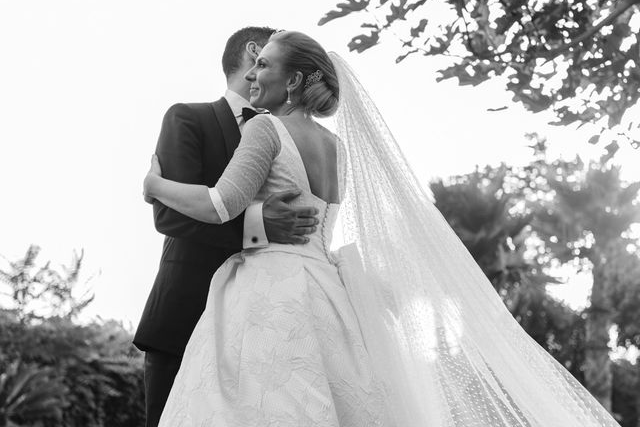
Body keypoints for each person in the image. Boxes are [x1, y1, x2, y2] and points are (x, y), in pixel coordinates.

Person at [143, 31, 622, 426]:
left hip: (268, 289)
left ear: (292, 81)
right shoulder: (337, 148)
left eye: (264, 66)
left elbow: (218, 203)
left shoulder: (264, 130)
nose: (254, 75)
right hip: (326, 292)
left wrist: (156, 184)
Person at [134, 26, 320, 427]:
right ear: (255, 52)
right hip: (187, 311)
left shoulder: (292, 135)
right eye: (269, 54)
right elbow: (168, 216)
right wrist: (258, 224)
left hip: (267, 319)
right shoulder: (187, 117)